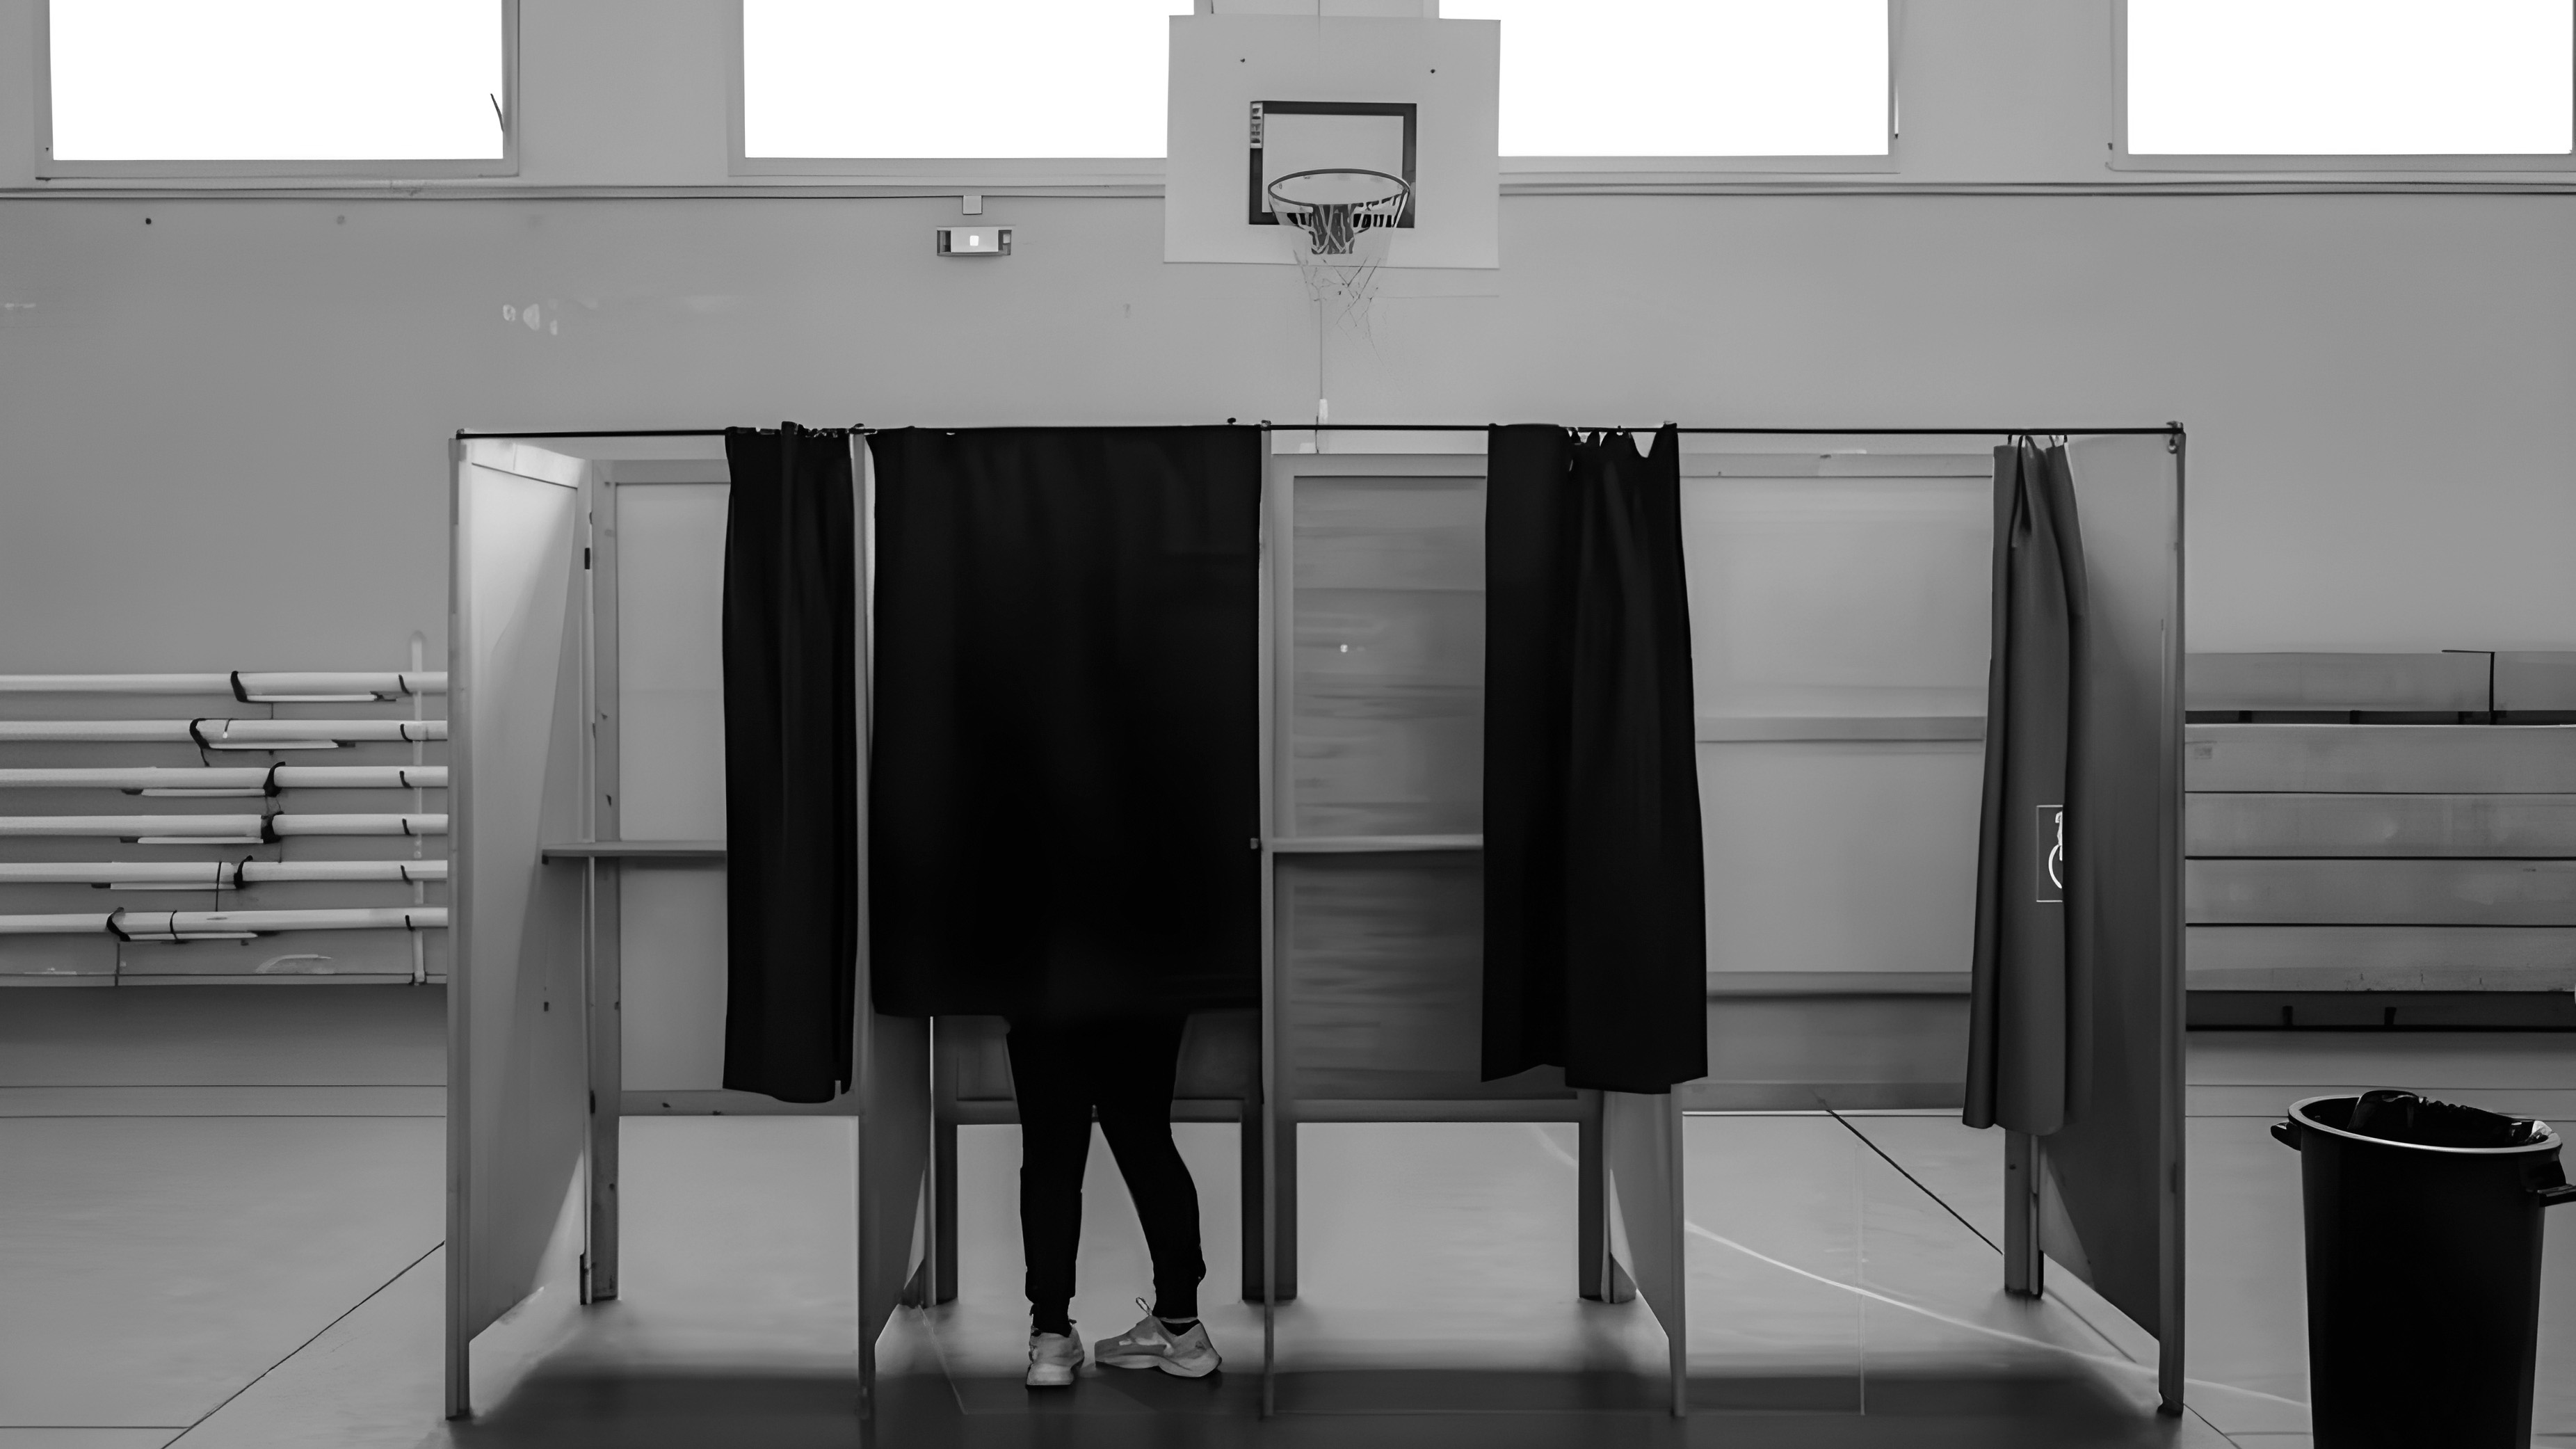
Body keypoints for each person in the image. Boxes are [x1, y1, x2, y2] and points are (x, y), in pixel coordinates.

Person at [1008, 1010, 1223, 1388]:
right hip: (1146, 976)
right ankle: (1180, 1328)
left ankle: (1052, 1336)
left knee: (1050, 1155)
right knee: (1148, 1144)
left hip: (1047, 975)